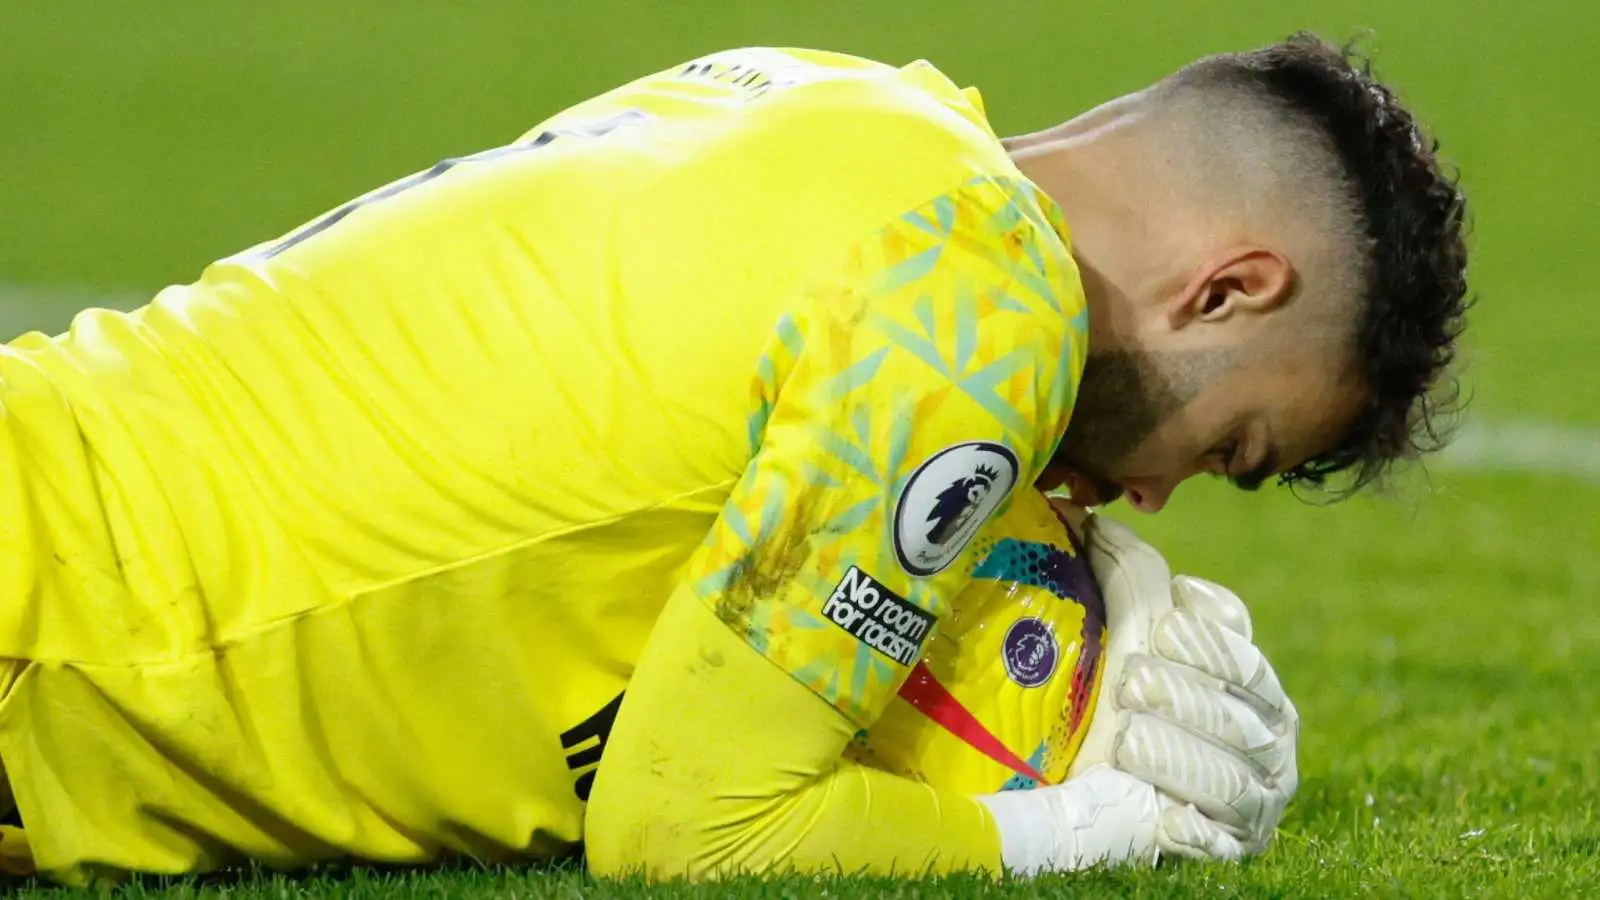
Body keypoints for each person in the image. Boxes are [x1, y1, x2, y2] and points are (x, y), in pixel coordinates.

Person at [0, 31, 1467, 885]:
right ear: (1230, 287)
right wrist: (1075, 827)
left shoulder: (832, 95)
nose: (1151, 494)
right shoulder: (975, 324)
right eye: (1235, 445)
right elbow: (689, 823)